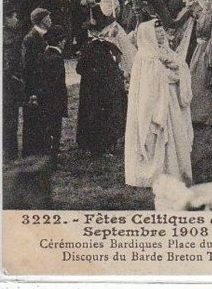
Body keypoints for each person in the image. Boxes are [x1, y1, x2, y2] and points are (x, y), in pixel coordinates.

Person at [125, 19, 193, 188]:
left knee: (176, 134)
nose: (161, 36)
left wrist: (177, 68)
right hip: (156, 105)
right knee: (157, 137)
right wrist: (174, 72)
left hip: (170, 100)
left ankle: (173, 170)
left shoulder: (164, 51)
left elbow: (180, 66)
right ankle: (156, 173)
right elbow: (154, 81)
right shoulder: (146, 57)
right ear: (149, 36)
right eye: (157, 34)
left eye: (163, 33)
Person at [76, 16, 127, 154]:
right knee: (98, 115)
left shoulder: (100, 46)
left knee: (98, 115)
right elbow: (81, 68)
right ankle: (98, 145)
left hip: (98, 88)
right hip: (97, 88)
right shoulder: (100, 46)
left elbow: (81, 68)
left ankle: (98, 144)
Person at [35, 25, 68, 163]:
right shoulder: (56, 58)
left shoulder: (45, 54)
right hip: (55, 99)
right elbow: (57, 83)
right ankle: (52, 157)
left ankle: (48, 153)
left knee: (47, 127)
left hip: (45, 98)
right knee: (55, 128)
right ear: (60, 41)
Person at [21, 7, 52, 156]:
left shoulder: (43, 37)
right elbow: (27, 67)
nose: (51, 21)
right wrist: (31, 92)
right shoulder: (30, 39)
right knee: (33, 121)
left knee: (42, 120)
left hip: (43, 86)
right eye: (48, 18)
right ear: (42, 20)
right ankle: (31, 153)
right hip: (34, 88)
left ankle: (41, 151)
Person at [3, 3, 23, 161]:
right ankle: (10, 153)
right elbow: (9, 62)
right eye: (15, 17)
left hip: (10, 81)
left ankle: (10, 152)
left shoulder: (10, 34)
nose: (17, 19)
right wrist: (14, 76)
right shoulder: (8, 37)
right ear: (6, 18)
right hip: (9, 82)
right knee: (9, 117)